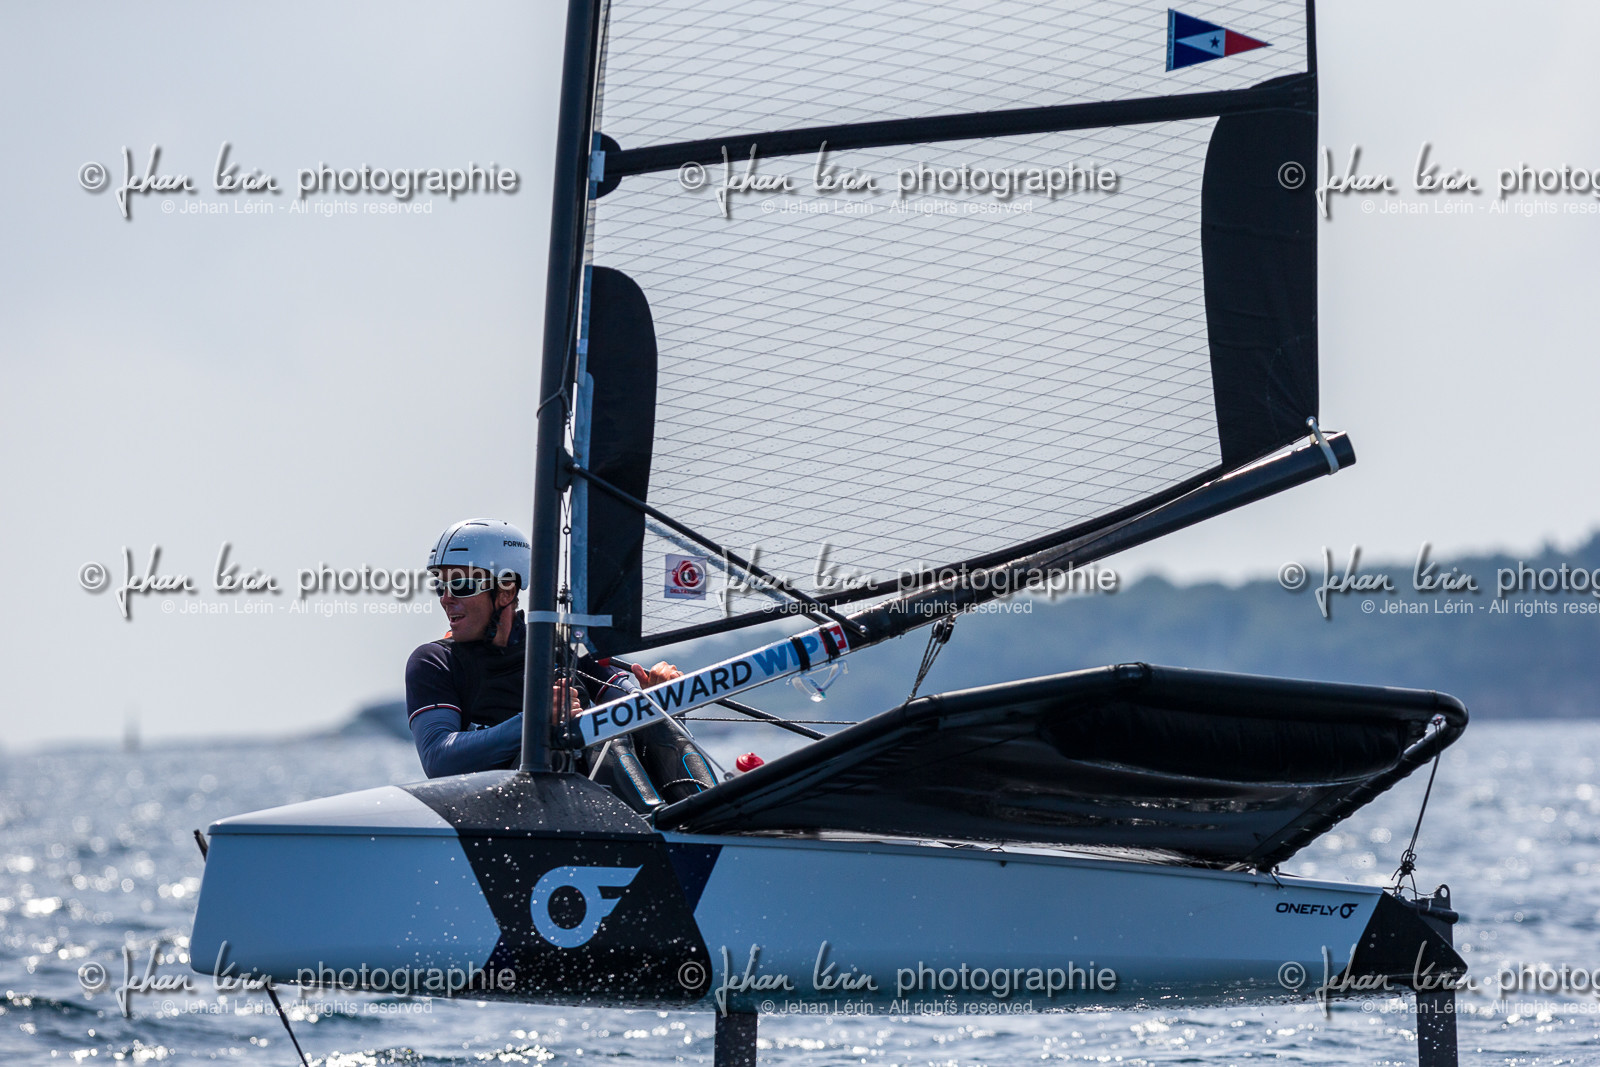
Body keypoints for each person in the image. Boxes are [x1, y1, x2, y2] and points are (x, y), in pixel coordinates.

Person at [405, 517, 682, 778]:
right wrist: (534, 720)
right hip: (512, 814)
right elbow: (438, 758)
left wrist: (660, 699)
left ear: (506, 592)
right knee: (579, 734)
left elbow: (626, 706)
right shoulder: (434, 661)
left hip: (597, 806)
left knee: (656, 726)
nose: (445, 599)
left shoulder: (564, 643)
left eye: (461, 586)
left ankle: (709, 817)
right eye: (439, 586)